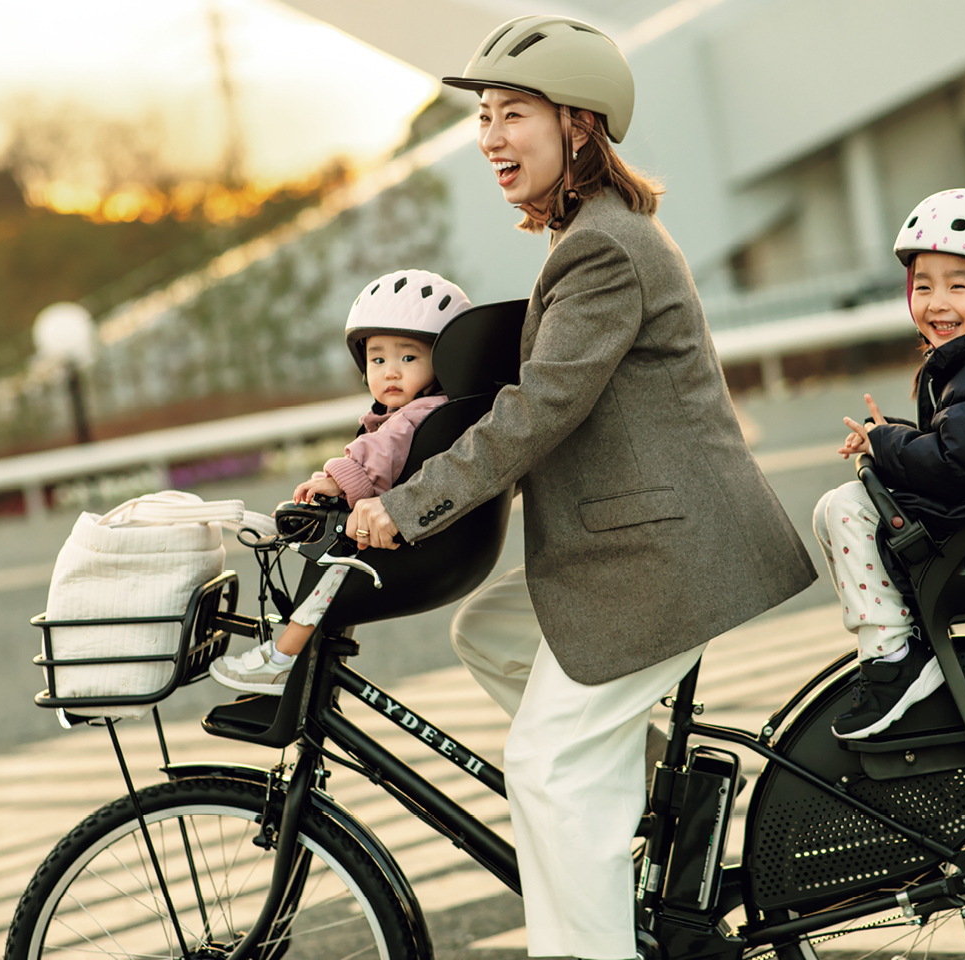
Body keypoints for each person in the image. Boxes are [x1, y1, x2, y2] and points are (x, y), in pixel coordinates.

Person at [345, 15, 816, 960]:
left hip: (667, 552)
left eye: (512, 113)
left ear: (581, 126)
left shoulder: (603, 249)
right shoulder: (590, 236)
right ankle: (646, 795)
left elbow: (537, 412)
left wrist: (408, 508)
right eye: (484, 117)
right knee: (490, 632)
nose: (490, 138)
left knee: (548, 768)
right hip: (628, 543)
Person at [817, 188, 965, 740]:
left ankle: (893, 657)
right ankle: (896, 646)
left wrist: (885, 444)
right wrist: (890, 437)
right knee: (845, 507)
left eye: (959, 285)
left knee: (843, 510)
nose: (936, 302)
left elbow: (954, 462)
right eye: (923, 286)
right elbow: (958, 443)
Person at [209, 269, 472, 693]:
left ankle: (281, 658)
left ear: (440, 363)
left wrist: (336, 476)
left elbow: (382, 451)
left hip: (401, 547)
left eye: (408, 358)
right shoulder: (415, 410)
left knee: (328, 571)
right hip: (404, 538)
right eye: (377, 359)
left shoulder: (421, 414)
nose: (390, 372)